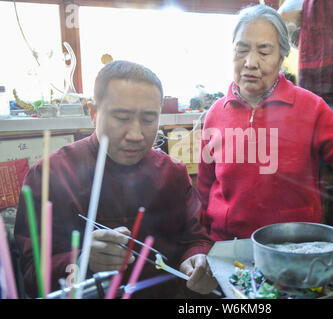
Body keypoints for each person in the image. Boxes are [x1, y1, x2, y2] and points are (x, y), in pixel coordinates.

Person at [14, 60, 218, 298]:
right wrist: (82, 262)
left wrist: (197, 259)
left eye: (149, 120)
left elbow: (196, 239)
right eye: (121, 118)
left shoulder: (172, 173)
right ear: (93, 112)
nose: (136, 135)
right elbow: (30, 275)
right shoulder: (50, 175)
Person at [197, 4, 333, 241]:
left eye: (264, 52)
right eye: (241, 50)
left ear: (281, 57)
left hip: (291, 246)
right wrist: (202, 244)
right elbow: (205, 187)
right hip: (227, 245)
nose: (250, 63)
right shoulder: (216, 113)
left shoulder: (311, 107)